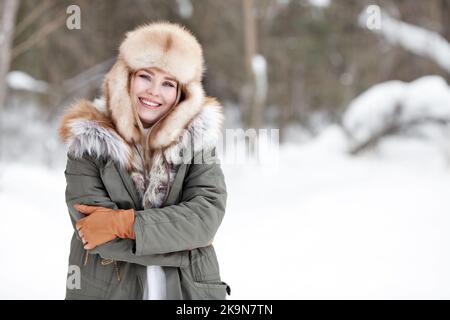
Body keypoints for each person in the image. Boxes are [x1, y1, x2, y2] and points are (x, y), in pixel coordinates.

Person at [58, 21, 230, 300]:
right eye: (145, 76)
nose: (154, 91)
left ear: (182, 92)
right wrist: (185, 245)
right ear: (125, 76)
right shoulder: (88, 138)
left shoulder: (198, 141)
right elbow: (93, 233)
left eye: (168, 83)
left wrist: (121, 223)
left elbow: (205, 218)